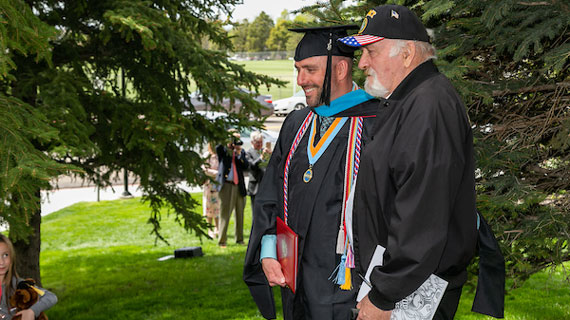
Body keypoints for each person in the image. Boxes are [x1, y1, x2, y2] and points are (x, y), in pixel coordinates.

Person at [338, 5, 485, 319]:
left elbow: (422, 216)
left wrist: (383, 294)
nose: (361, 63)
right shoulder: (410, 98)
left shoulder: (428, 105)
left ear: (406, 55)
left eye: (371, 52)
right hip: (399, 277)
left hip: (410, 287)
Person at [244, 25, 379, 319]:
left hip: (349, 287)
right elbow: (269, 194)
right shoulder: (295, 124)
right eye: (297, 69)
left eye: (309, 69)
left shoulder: (377, 124)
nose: (300, 80)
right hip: (295, 281)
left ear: (341, 68)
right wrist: (268, 251)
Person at [0, 235, 57, 320]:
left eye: (5, 255)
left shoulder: (20, 285)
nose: (1, 262)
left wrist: (32, 311)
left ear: (12, 257)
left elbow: (50, 297)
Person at [215, 131, 249, 248]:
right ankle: (222, 240)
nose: (236, 142)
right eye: (235, 139)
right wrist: (228, 144)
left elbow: (245, 166)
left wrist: (239, 154)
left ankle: (239, 239)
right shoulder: (224, 150)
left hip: (238, 185)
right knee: (225, 213)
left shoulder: (241, 151)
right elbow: (218, 149)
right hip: (227, 185)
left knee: (240, 213)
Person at [245, 131, 271, 214]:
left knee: (265, 212)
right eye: (257, 143)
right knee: (256, 212)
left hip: (265, 186)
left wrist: (271, 155)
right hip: (255, 187)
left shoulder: (264, 151)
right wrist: (261, 157)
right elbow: (252, 166)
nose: (260, 145)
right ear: (252, 142)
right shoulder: (248, 153)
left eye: (261, 142)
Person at [202, 142, 221, 238]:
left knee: (217, 207)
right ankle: (209, 229)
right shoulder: (207, 155)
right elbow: (205, 170)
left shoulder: (219, 155)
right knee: (209, 207)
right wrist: (216, 173)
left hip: (218, 185)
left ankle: (217, 228)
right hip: (209, 185)